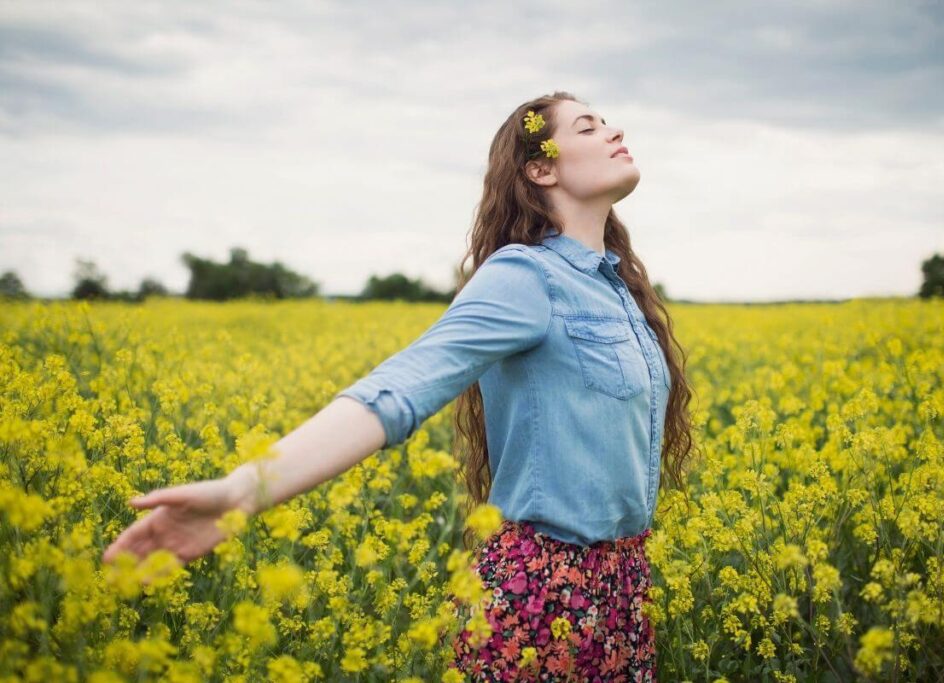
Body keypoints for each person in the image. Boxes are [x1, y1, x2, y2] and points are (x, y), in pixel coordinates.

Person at [101, 91, 698, 681]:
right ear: (540, 168)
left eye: (608, 122)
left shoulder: (617, 287)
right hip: (542, 591)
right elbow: (400, 387)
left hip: (622, 586)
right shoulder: (525, 276)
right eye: (588, 128)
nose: (614, 131)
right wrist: (241, 492)